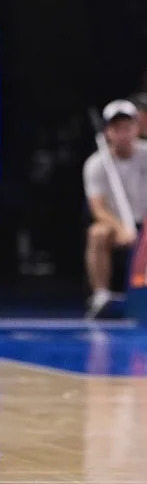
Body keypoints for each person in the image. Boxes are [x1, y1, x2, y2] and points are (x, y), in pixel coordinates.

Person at [83, 99, 147, 319]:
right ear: (108, 132)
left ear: (137, 129)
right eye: (116, 129)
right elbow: (97, 208)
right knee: (97, 233)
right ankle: (101, 295)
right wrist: (121, 228)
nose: (123, 134)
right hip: (116, 225)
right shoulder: (96, 164)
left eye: (128, 127)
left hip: (144, 223)